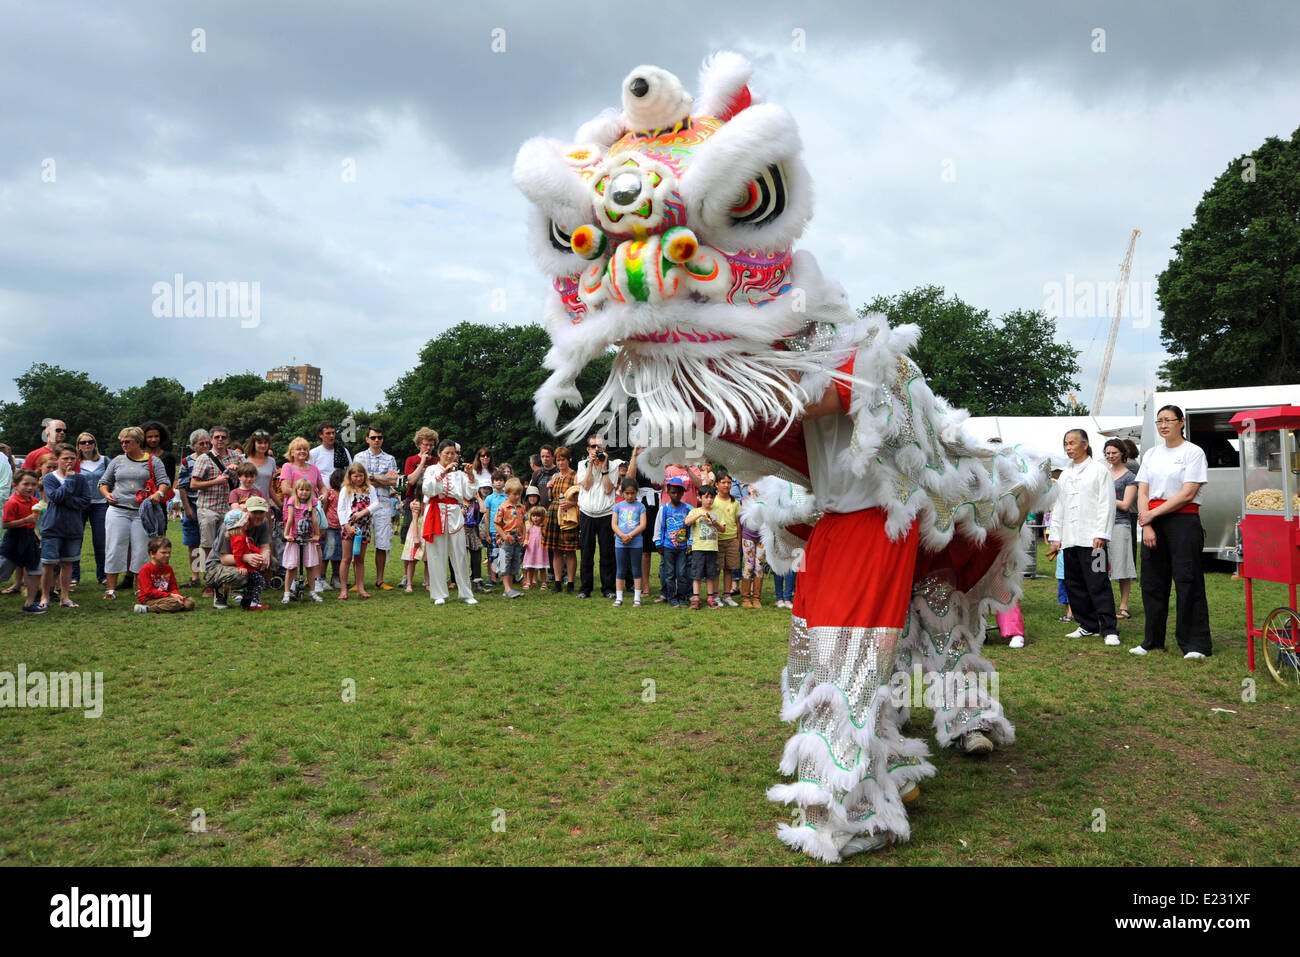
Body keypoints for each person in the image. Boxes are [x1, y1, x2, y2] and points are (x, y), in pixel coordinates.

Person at [1131, 405, 1212, 659]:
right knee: (1152, 582)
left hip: (1183, 521)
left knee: (1188, 580)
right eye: (1159, 421)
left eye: (1169, 420)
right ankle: (1152, 640)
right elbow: (1143, 491)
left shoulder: (1193, 452)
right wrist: (1147, 524)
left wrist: (1152, 515)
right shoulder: (1152, 454)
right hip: (1152, 522)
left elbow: (1188, 493)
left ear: (1182, 422)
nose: (1164, 425)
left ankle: (1195, 644)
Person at [1047, 429, 1119, 646]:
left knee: (1098, 582)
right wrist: (1056, 536)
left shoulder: (1099, 470)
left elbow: (1107, 503)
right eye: (1065, 444)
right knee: (1074, 584)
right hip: (1070, 540)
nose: (1068, 448)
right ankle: (1087, 625)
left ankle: (1109, 628)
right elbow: (1058, 507)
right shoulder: (1065, 474)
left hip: (1093, 540)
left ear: (1085, 444)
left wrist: (1102, 534)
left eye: (1072, 443)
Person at [99, 427, 170, 601]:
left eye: (128, 441)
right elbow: (103, 482)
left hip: (142, 513)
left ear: (138, 442)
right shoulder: (117, 460)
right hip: (118, 510)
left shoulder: (153, 461)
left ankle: (141, 588)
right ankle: (110, 589)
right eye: (122, 441)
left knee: (141, 550)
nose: (124, 444)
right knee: (114, 547)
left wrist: (158, 494)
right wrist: (107, 494)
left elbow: (164, 482)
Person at [422, 439, 477, 605]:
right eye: (447, 453)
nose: (450, 456)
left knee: (460, 553)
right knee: (436, 554)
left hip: (454, 513)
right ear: (439, 454)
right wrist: (443, 473)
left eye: (453, 453)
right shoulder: (432, 470)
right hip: (435, 512)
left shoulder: (459, 474)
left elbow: (469, 493)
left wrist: (470, 475)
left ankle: (466, 592)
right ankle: (439, 593)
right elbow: (427, 489)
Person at [190, 425, 243, 593]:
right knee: (207, 546)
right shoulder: (204, 459)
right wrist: (216, 481)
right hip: (208, 508)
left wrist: (238, 470)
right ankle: (209, 582)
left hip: (229, 508)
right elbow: (194, 484)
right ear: (211, 439)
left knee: (228, 545)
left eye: (224, 437)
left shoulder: (236, 456)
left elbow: (247, 475)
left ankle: (226, 580)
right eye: (217, 437)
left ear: (228, 440)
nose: (220, 440)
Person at [40, 443, 89, 609]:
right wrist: (68, 480)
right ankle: (45, 596)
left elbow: (85, 501)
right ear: (57, 459)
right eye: (65, 458)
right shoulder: (49, 478)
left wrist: (67, 500)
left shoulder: (81, 479)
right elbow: (55, 497)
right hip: (53, 527)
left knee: (68, 563)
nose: (69, 462)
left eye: (72, 458)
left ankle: (65, 597)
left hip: (73, 528)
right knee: (49, 563)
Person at [203, 496, 271, 609]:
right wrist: (246, 558)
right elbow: (224, 559)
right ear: (246, 511)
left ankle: (249, 599)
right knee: (240, 575)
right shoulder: (231, 525)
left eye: (261, 512)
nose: (258, 515)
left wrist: (266, 554)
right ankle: (220, 592)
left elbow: (265, 545)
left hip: (242, 561)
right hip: (217, 566)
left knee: (270, 562)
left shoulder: (263, 522)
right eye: (254, 512)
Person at [353, 426, 399, 590]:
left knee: (382, 543)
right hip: (362, 503)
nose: (376, 440)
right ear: (367, 439)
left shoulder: (390, 458)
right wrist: (382, 478)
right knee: (359, 541)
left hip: (383, 504)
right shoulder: (359, 456)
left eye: (379, 437)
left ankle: (380, 580)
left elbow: (393, 482)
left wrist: (370, 476)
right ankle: (358, 581)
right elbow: (357, 479)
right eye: (373, 437)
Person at [576, 434, 620, 599]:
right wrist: (590, 466)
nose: (597, 449)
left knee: (607, 553)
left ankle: (608, 588)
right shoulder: (582, 464)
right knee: (587, 551)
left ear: (605, 449)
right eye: (593, 447)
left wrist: (603, 468)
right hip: (587, 512)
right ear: (588, 449)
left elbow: (609, 489)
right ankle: (585, 588)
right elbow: (586, 485)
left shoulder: (613, 465)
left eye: (599, 447)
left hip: (606, 513)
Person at [1104, 438, 1139, 619]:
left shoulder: (1130, 477)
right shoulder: (1103, 474)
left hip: (1121, 524)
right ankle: (1103, 604)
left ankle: (1124, 606)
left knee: (1122, 567)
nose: (1110, 456)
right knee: (1099, 566)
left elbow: (1126, 505)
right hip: (1102, 525)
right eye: (1108, 453)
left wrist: (1106, 498)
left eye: (1114, 453)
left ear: (1122, 454)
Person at [2, 470, 45, 613]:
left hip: (30, 538)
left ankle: (29, 603)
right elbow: (6, 524)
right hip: (14, 539)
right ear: (15, 485)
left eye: (33, 484)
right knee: (3, 570)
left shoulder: (34, 501)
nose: (30, 487)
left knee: (35, 571)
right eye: (25, 484)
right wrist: (25, 520)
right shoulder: (12, 502)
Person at [337, 461, 378, 600]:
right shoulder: (346, 489)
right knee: (346, 558)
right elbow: (341, 509)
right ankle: (343, 589)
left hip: (364, 527)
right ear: (350, 477)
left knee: (360, 558)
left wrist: (363, 512)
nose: (358, 479)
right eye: (355, 476)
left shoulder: (370, 489)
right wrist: (346, 526)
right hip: (349, 526)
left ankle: (360, 587)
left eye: (360, 476)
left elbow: (376, 504)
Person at [73, 432, 109, 587]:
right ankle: (74, 575)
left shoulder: (105, 460)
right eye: (83, 442)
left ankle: (102, 575)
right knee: (75, 540)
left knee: (100, 541)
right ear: (78, 446)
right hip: (79, 504)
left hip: (100, 503)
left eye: (90, 441)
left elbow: (112, 478)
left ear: (95, 444)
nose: (87, 445)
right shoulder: (74, 462)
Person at [624, 446, 659, 598]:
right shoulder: (636, 462)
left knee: (665, 548)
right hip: (642, 505)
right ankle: (645, 586)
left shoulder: (659, 459)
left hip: (660, 503)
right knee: (645, 551)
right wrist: (634, 456)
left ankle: (668, 585)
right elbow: (629, 480)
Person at [281, 478, 324, 603]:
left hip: (308, 539)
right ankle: (287, 593)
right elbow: (290, 519)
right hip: (294, 538)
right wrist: (286, 534)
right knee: (291, 567)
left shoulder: (313, 501)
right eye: (301, 489)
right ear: (296, 490)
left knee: (310, 566)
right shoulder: (292, 500)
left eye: (307, 490)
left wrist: (316, 534)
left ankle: (312, 591)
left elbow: (315, 520)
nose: (304, 492)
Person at [543, 446, 578, 593]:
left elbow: (580, 496)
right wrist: (549, 487)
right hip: (553, 512)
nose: (560, 463)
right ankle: (557, 582)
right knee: (556, 550)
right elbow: (552, 496)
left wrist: (573, 503)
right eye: (558, 460)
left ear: (568, 460)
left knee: (569, 550)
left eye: (563, 459)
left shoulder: (575, 475)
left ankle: (570, 583)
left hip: (568, 515)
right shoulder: (555, 476)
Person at [653, 477, 691, 607]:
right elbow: (658, 526)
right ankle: (671, 597)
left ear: (682, 493)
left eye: (678, 492)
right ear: (668, 493)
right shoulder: (664, 509)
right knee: (669, 574)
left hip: (682, 548)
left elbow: (690, 528)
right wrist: (658, 542)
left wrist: (690, 543)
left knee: (681, 574)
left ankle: (682, 597)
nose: (675, 495)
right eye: (673, 492)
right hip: (668, 547)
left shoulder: (687, 509)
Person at [685, 484, 724, 609]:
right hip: (698, 548)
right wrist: (699, 515)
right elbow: (686, 522)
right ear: (700, 498)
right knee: (697, 574)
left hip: (712, 548)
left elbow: (723, 529)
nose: (709, 500)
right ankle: (695, 598)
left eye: (711, 497)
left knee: (711, 574)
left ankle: (710, 597)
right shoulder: (694, 511)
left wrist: (715, 522)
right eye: (706, 497)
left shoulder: (717, 512)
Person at [610, 478, 646, 607]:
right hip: (620, 543)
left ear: (637, 493)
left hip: (636, 543)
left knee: (636, 569)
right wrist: (621, 535)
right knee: (620, 569)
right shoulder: (617, 506)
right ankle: (619, 598)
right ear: (622, 493)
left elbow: (643, 524)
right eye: (627, 493)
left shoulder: (640, 506)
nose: (630, 496)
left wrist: (629, 535)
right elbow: (614, 524)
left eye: (633, 493)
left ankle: (637, 598)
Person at [134, 537, 196, 613]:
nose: (167, 555)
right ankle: (146, 609)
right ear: (152, 554)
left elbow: (173, 587)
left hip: (166, 597)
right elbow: (149, 591)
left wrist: (178, 596)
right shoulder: (145, 569)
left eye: (169, 552)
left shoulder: (168, 568)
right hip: (150, 599)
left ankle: (174, 605)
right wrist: (170, 596)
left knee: (190, 603)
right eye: (163, 553)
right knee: (174, 604)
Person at [224, 508, 268, 611]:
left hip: (249, 566)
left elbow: (249, 545)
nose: (247, 522)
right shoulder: (238, 538)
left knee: (254, 583)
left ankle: (248, 602)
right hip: (247, 567)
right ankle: (254, 603)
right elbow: (237, 554)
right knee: (259, 582)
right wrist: (240, 566)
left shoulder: (242, 534)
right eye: (245, 520)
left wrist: (259, 551)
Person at [402, 428, 440, 542]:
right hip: (412, 500)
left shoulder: (436, 461)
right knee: (409, 538)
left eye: (431, 445)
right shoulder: (411, 460)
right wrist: (422, 462)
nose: (428, 448)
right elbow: (411, 480)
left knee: (429, 537)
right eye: (426, 444)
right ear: (419, 444)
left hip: (429, 502)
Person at [494, 477, 528, 598]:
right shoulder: (503, 507)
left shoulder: (522, 508)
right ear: (507, 493)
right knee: (505, 562)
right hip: (506, 540)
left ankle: (509, 588)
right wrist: (504, 535)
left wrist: (525, 536)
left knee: (514, 562)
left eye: (519, 494)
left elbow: (525, 523)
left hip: (518, 540)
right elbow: (497, 524)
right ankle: (507, 589)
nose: (517, 496)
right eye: (514, 494)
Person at [712, 471, 741, 607]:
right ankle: (716, 596)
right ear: (716, 484)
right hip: (717, 540)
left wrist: (738, 540)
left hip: (732, 539)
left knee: (730, 569)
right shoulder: (713, 500)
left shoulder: (735, 502)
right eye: (723, 482)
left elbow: (738, 523)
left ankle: (727, 596)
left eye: (729, 482)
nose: (726, 485)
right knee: (717, 569)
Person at [739, 485, 765, 608]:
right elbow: (747, 514)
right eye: (752, 486)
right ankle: (745, 598)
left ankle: (756, 598)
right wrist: (752, 496)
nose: (755, 488)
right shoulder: (745, 499)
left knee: (759, 567)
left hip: (762, 537)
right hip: (748, 536)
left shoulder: (766, 500)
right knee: (748, 565)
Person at [400, 484, 428, 594]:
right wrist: (416, 537)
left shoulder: (429, 502)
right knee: (412, 559)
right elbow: (415, 520)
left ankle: (428, 583)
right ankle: (409, 583)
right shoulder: (417, 503)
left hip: (427, 531)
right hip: (417, 531)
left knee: (428, 561)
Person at [245, 430, 282, 508]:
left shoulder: (271, 461)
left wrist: (281, 506)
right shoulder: (245, 460)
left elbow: (270, 488)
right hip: (247, 504)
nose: (263, 445)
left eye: (265, 443)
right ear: (253, 443)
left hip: (264, 505)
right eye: (260, 443)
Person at [483, 470, 507, 586]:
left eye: (501, 480)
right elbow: (486, 516)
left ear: (504, 482)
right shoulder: (489, 498)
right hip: (492, 530)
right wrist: (487, 533)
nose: (498, 483)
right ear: (492, 483)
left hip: (504, 530)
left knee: (504, 554)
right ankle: (492, 577)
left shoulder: (507, 497)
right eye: (496, 480)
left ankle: (503, 576)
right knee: (493, 554)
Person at [321, 468, 344, 590]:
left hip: (341, 528)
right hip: (329, 527)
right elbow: (324, 509)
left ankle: (336, 578)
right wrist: (322, 527)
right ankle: (322, 578)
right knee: (326, 554)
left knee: (339, 555)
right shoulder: (330, 493)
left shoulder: (346, 494)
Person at [523, 505, 548, 590]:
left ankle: (544, 582)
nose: (535, 518)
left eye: (538, 516)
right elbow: (526, 537)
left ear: (542, 517)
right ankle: (528, 582)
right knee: (530, 567)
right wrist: (526, 542)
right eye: (533, 516)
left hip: (541, 550)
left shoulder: (543, 528)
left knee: (542, 567)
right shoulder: (529, 527)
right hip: (531, 550)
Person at [532, 445, 558, 510]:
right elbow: (532, 492)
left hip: (557, 508)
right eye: (542, 456)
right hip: (540, 510)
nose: (545, 459)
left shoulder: (559, 472)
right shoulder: (537, 473)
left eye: (547, 456)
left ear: (553, 457)